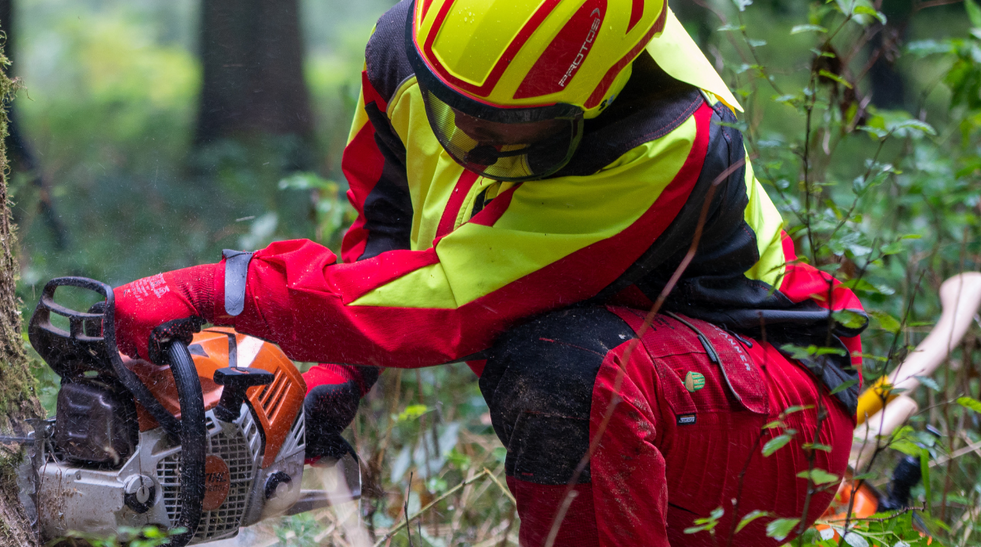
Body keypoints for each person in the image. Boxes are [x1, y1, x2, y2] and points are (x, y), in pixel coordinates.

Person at [110, 1, 866, 545]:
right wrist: (341, 371)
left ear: (596, 95)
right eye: (460, 112)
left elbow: (448, 298)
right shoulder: (404, 55)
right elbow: (388, 235)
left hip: (778, 415)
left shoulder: (664, 142)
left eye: (510, 127)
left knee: (564, 368)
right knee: (565, 359)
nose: (472, 137)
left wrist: (217, 291)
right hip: (667, 386)